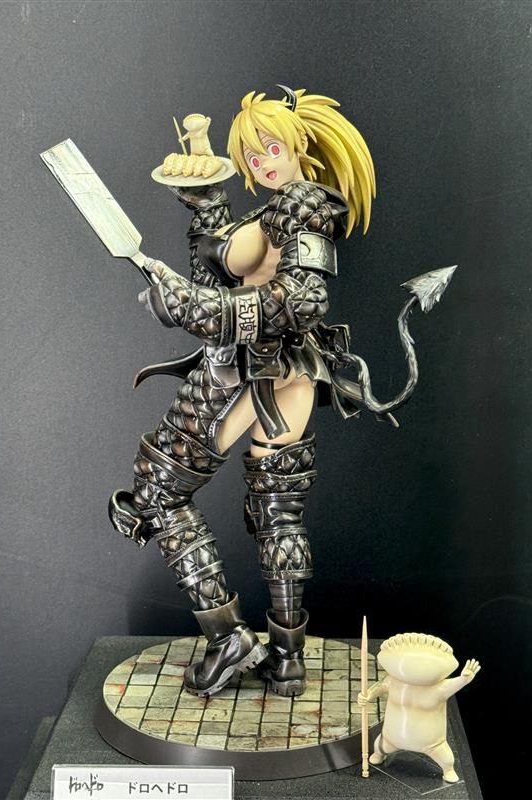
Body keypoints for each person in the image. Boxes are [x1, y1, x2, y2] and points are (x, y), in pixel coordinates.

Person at [109, 86, 376, 699]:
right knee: (277, 510)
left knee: (159, 489)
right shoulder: (274, 211)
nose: (262, 163)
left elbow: (303, 300)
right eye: (253, 155)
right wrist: (207, 207)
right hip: (279, 374)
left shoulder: (304, 206)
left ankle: (228, 635)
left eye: (272, 148)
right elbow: (222, 274)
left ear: (300, 144)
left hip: (252, 372)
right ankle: (286, 657)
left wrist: (195, 307)